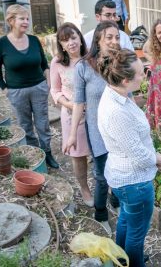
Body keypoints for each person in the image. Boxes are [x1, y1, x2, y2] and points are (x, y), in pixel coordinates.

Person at [96, 48, 161, 267]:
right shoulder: (116, 112)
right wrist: (159, 158)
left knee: (126, 221)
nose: (144, 74)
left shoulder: (116, 94)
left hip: (124, 178)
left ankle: (121, 259)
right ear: (126, 80)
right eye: (140, 73)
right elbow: (139, 155)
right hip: (134, 182)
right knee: (136, 235)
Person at [64, 21, 121, 234]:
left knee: (119, 167)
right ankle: (100, 213)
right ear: (98, 39)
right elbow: (79, 103)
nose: (114, 41)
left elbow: (130, 94)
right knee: (102, 175)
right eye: (109, 37)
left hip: (118, 127)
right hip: (97, 129)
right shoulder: (84, 67)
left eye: (116, 37)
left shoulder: (120, 61)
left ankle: (115, 202)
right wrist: (71, 136)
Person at [0, 4, 59, 169]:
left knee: (43, 124)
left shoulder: (35, 40)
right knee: (25, 126)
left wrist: (48, 83)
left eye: (27, 18)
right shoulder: (1, 44)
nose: (26, 22)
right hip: (17, 92)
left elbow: (45, 64)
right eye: (22, 18)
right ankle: (37, 156)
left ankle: (47, 152)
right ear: (11, 20)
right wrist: (7, 90)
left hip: (39, 88)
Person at [50, 22, 93, 206]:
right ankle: (84, 189)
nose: (71, 43)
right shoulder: (58, 62)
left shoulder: (91, 57)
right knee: (78, 155)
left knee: (100, 152)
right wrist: (70, 104)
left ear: (80, 39)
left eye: (74, 37)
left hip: (94, 113)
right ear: (61, 45)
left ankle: (106, 186)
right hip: (71, 114)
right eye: (65, 40)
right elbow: (55, 90)